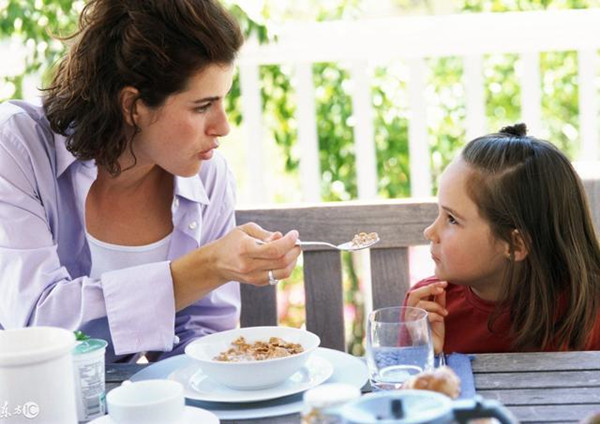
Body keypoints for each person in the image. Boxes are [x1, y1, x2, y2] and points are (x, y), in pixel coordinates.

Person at [0, 0, 301, 363]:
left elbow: (200, 341)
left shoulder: (208, 175)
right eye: (202, 106)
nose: (222, 126)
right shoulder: (16, 148)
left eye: (223, 100)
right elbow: (34, 325)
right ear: (133, 106)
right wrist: (204, 268)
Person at [406, 123, 600, 354]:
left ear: (515, 245)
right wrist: (424, 352)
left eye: (452, 219)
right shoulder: (428, 307)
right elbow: (406, 387)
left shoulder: (588, 309)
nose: (430, 231)